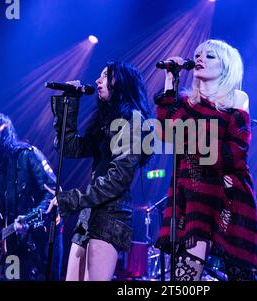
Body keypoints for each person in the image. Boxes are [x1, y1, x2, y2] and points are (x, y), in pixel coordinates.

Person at [154, 39, 257, 281]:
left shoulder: (236, 99)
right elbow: (167, 132)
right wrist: (170, 81)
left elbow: (236, 152)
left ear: (226, 66)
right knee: (183, 279)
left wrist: (192, 139)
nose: (200, 58)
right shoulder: (183, 102)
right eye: (198, 55)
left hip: (228, 196)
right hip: (190, 195)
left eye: (210, 56)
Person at [47, 61, 152, 281]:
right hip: (89, 213)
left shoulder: (132, 119)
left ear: (121, 82)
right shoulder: (107, 123)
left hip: (111, 213)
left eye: (105, 76)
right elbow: (69, 147)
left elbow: (118, 179)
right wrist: (71, 101)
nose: (97, 81)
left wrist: (72, 199)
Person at [0, 112, 63, 280]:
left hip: (41, 239)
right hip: (11, 243)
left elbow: (52, 193)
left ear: (1, 130)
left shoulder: (27, 155)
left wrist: (29, 219)